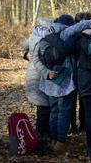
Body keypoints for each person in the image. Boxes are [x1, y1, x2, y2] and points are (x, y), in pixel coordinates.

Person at [32, 14, 77, 155]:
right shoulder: (69, 36)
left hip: (49, 82)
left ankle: (53, 140)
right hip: (66, 82)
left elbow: (36, 59)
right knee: (64, 112)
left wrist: (46, 73)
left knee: (54, 111)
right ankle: (60, 143)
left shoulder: (44, 36)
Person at [22, 17, 52, 150]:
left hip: (33, 74)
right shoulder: (45, 38)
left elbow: (24, 46)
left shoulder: (33, 34)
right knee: (44, 107)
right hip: (39, 75)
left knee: (42, 107)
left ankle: (42, 135)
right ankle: (41, 137)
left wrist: (26, 53)